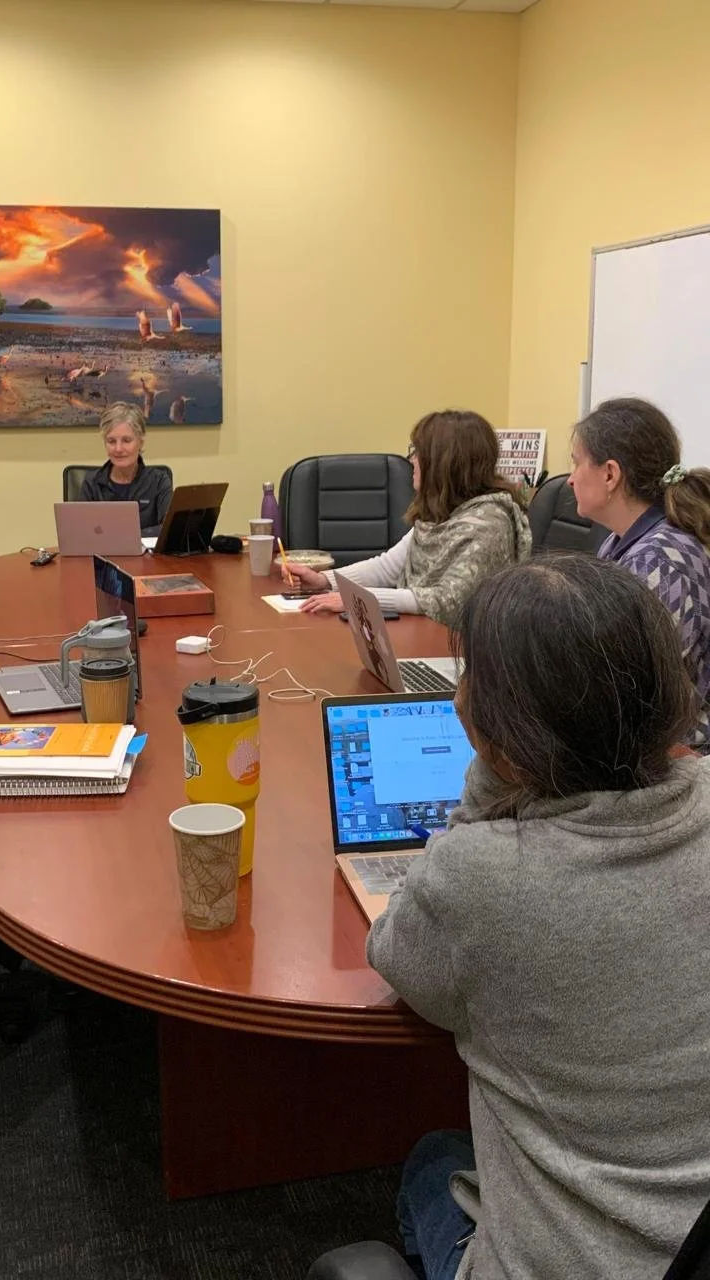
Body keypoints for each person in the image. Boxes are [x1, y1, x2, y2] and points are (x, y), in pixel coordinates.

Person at [368, 555, 710, 1280]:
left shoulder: (482, 874)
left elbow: (395, 956)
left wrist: (491, 766)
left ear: (494, 730)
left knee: (433, 1160)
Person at [281, 409, 531, 627]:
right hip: (423, 632)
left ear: (444, 462)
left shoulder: (489, 524)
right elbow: (388, 567)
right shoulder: (444, 512)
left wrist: (357, 599)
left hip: (459, 649)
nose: (412, 460)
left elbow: (446, 601)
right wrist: (324, 580)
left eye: (418, 452)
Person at [569, 396, 710, 750]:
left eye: (576, 463)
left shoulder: (658, 561)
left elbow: (627, 687)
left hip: (677, 756)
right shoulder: (621, 543)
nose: (569, 479)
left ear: (610, 474)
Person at [78, 402, 172, 535]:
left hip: (146, 549)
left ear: (140, 442)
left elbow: (168, 528)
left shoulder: (159, 481)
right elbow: (81, 531)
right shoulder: (91, 482)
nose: (118, 449)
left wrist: (127, 536)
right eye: (111, 441)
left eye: (126, 440)